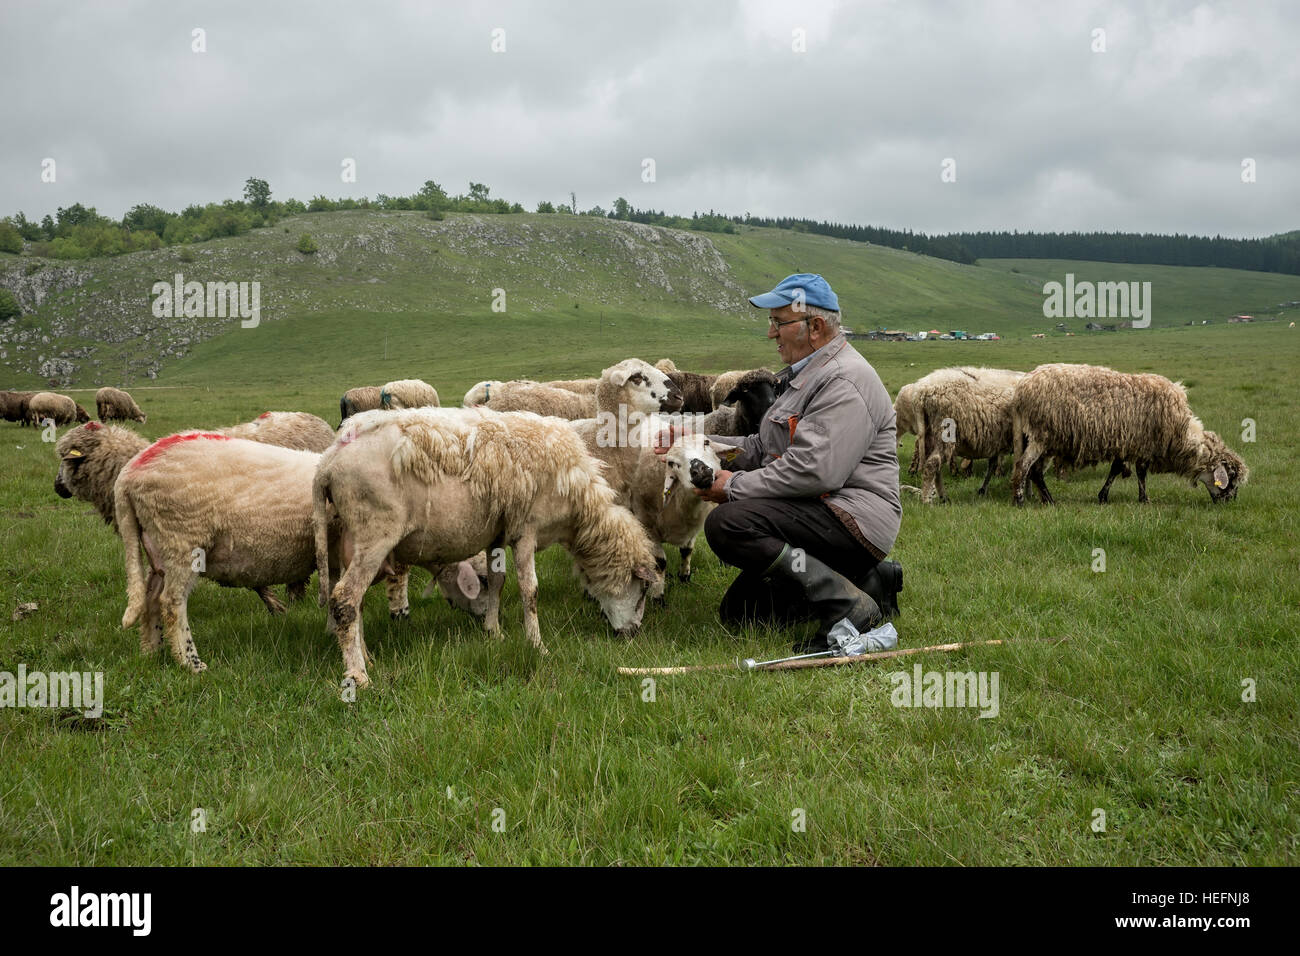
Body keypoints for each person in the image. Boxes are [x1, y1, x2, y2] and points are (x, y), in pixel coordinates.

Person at [657, 273, 902, 651]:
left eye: (779, 323)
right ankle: (870, 581)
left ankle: (847, 605)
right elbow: (760, 446)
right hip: (817, 511)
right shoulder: (804, 376)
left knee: (729, 524)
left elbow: (814, 471)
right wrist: (698, 443)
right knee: (744, 614)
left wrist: (731, 487)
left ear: (815, 327)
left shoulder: (844, 382)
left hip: (850, 519)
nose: (771, 333)